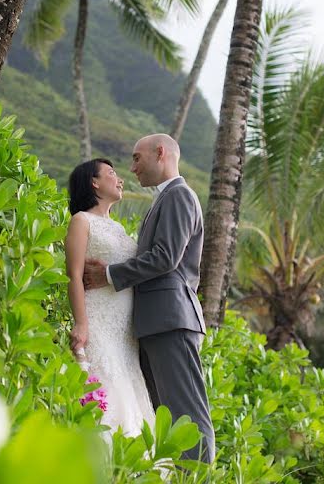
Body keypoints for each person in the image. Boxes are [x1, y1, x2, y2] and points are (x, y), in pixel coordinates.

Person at [83, 134, 215, 463]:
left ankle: (200, 475)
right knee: (164, 415)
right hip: (155, 322)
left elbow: (165, 257)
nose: (132, 168)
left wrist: (109, 274)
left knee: (187, 413)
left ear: (161, 154)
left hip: (172, 319)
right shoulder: (163, 199)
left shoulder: (179, 195)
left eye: (137, 158)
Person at [65, 158, 155, 438]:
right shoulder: (82, 221)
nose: (121, 179)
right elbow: (74, 275)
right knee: (109, 390)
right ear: (94, 182)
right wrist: (81, 324)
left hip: (125, 330)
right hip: (99, 320)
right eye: (112, 173)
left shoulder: (117, 228)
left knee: (130, 391)